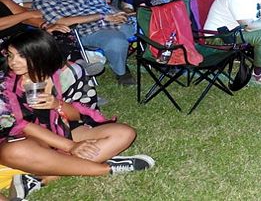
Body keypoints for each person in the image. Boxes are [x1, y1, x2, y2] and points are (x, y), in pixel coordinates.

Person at [0, 30, 155, 199]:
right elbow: (21, 125)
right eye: (10, 55)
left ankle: (42, 176)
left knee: (125, 133)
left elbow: (81, 115)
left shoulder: (70, 73)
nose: (13, 62)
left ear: (42, 54)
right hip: (26, 139)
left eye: (21, 56)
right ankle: (105, 169)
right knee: (13, 152)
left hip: (63, 129)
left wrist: (57, 104)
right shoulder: (4, 84)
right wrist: (70, 147)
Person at [33, 0, 136, 85]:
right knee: (116, 40)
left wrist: (117, 13)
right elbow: (61, 21)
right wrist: (101, 16)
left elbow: (105, 7)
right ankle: (122, 72)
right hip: (86, 31)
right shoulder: (42, 1)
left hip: (112, 21)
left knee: (149, 23)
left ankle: (158, 59)